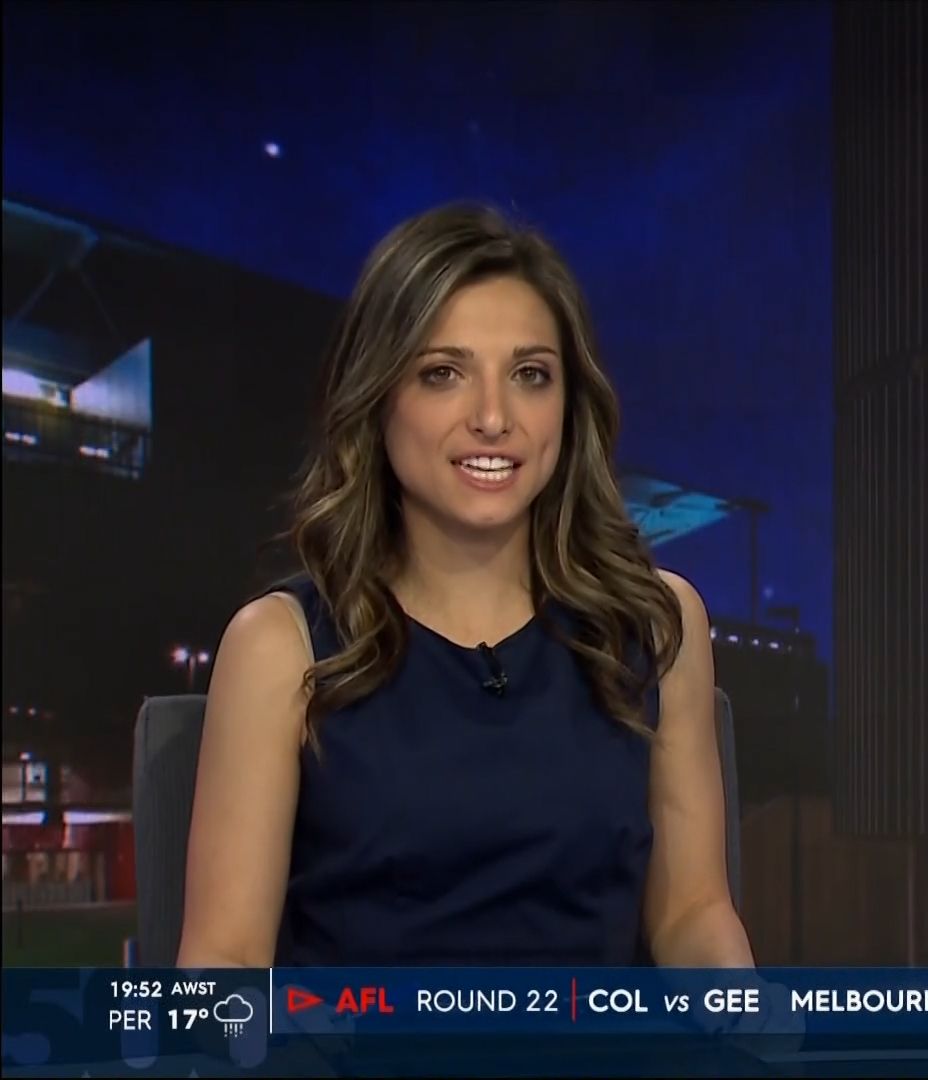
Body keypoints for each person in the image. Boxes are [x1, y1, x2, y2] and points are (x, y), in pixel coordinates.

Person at [175, 203, 753, 967]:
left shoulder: (655, 623)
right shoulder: (281, 646)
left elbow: (691, 912)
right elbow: (226, 962)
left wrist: (742, 1010)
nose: (492, 417)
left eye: (530, 375)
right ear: (379, 396)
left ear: (569, 407)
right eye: (443, 373)